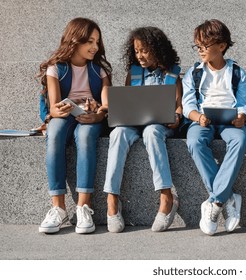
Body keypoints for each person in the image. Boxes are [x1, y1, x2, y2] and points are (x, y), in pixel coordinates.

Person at [103, 27, 182, 233]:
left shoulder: (173, 73)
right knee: (118, 133)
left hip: (160, 126)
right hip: (133, 125)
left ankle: (166, 196)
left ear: (158, 49)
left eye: (145, 50)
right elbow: (128, 103)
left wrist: (177, 116)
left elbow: (179, 105)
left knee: (151, 132)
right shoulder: (134, 73)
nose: (140, 56)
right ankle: (112, 199)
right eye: (137, 51)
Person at [37, 17, 112, 234]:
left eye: (97, 42)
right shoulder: (56, 69)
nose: (95, 47)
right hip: (65, 115)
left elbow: (105, 106)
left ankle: (83, 206)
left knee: (87, 136)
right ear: (74, 40)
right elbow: (53, 107)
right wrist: (58, 110)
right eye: (89, 41)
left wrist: (97, 114)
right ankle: (58, 207)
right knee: (55, 131)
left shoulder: (100, 70)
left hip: (91, 117)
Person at [182, 19, 246, 235]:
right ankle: (227, 198)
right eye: (197, 46)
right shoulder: (194, 72)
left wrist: (241, 117)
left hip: (230, 120)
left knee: (239, 139)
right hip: (204, 119)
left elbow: (243, 104)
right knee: (194, 140)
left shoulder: (238, 72)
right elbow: (187, 105)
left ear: (221, 46)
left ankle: (214, 202)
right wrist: (198, 117)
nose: (200, 50)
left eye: (205, 45)